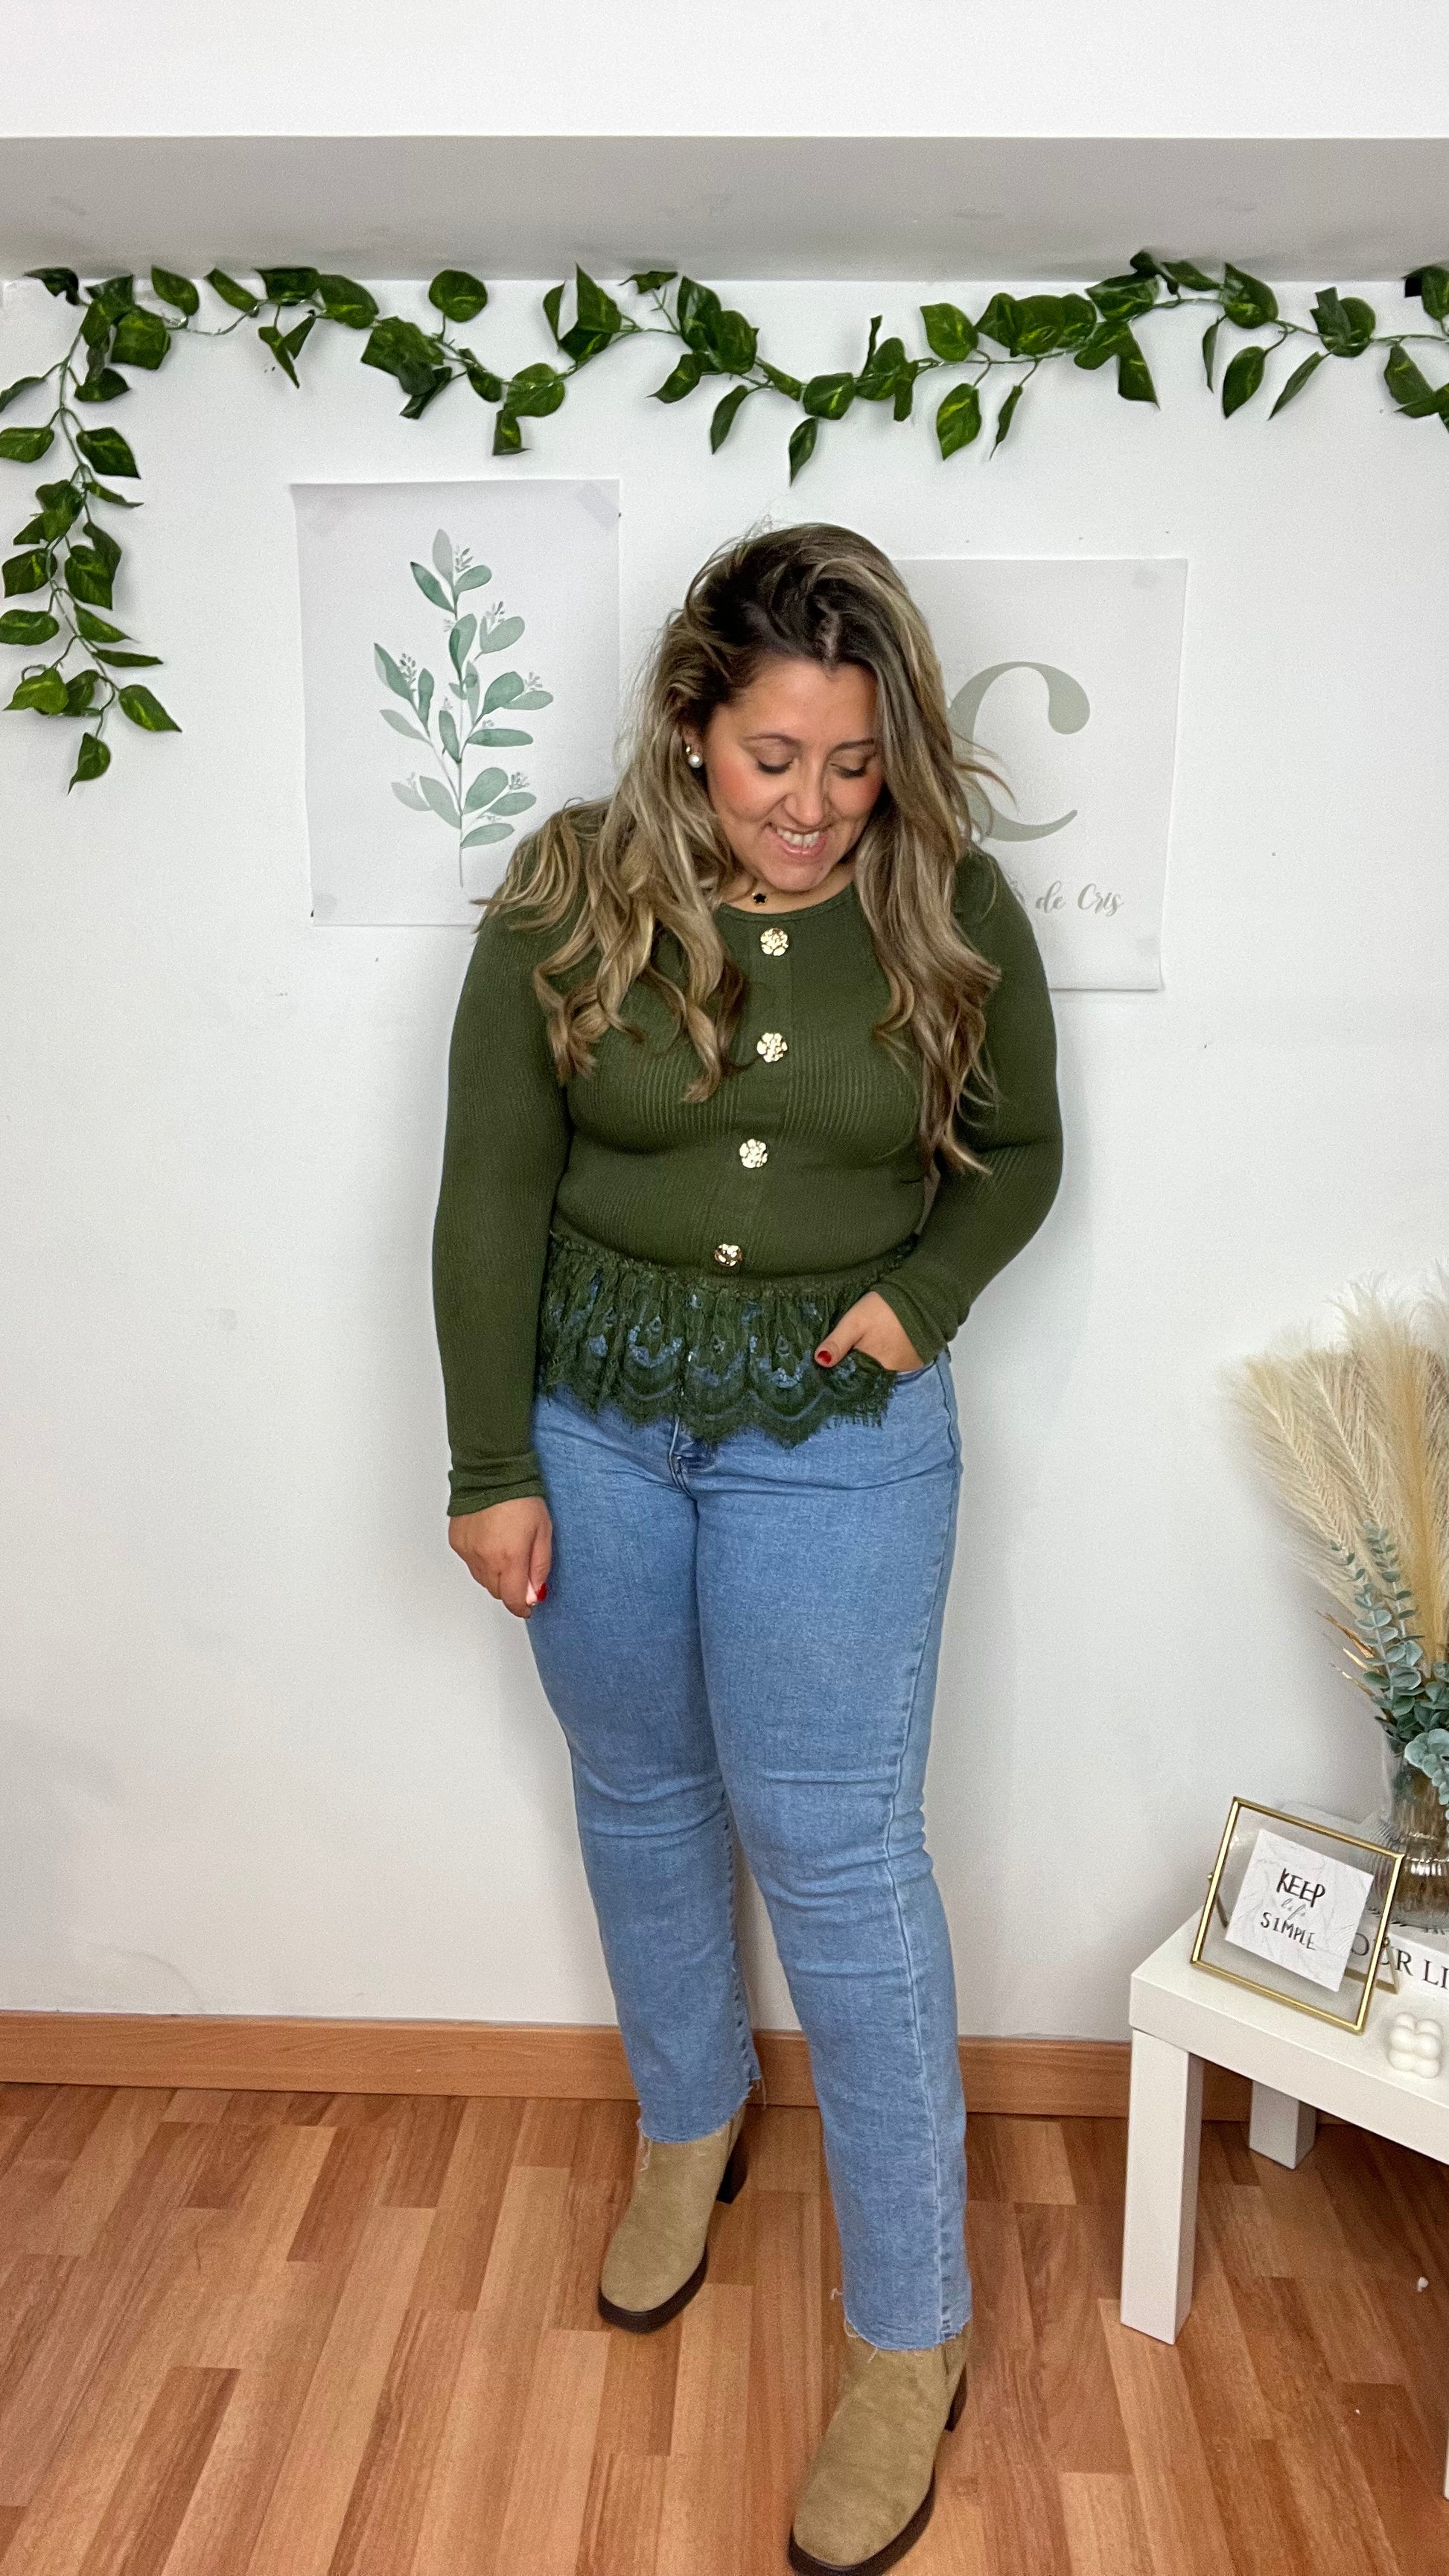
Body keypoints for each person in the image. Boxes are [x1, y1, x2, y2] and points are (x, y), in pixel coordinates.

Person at [433, 521, 1063, 2575]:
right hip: (594, 1422)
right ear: (690, 724)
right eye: (771, 758)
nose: (809, 807)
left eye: (852, 765)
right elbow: (485, 1191)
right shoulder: (565, 891)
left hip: (838, 1436)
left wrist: (919, 1302)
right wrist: (490, 1459)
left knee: (840, 1859)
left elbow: (1021, 1151)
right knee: (637, 1788)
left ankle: (909, 2332)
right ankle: (689, 2121)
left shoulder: (947, 899)